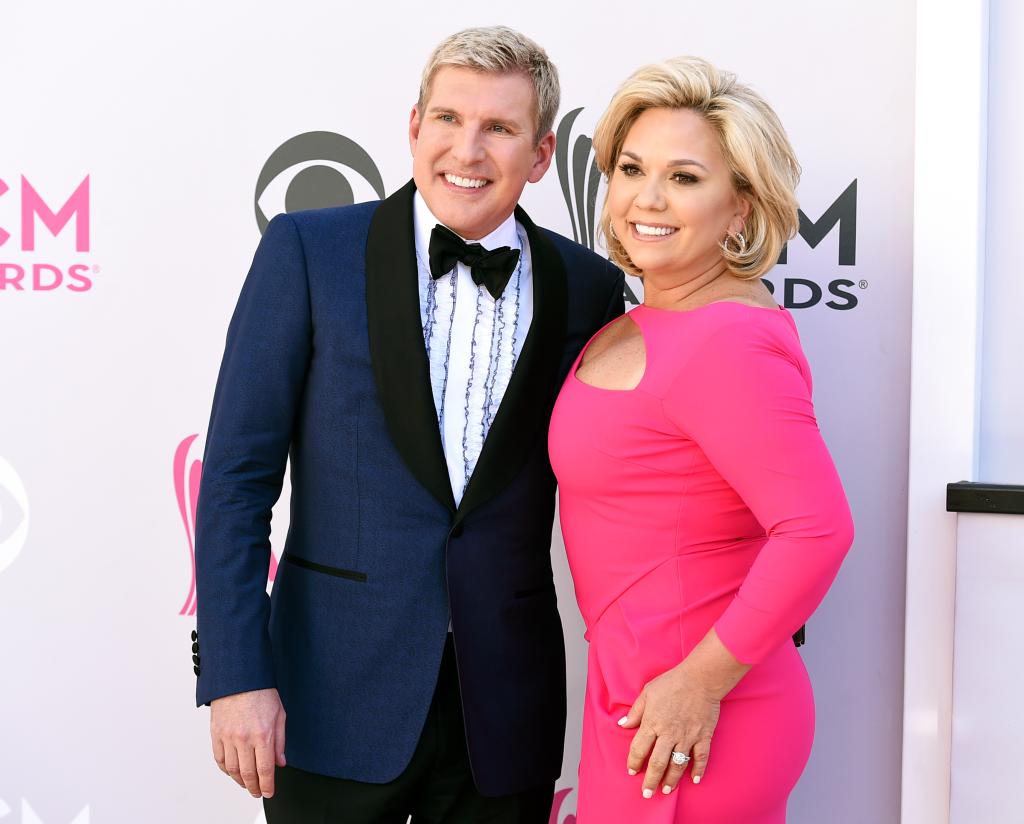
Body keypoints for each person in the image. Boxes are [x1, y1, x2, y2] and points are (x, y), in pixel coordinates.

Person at [191, 26, 625, 823]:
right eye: (449, 119)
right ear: (414, 125)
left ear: (539, 154)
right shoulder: (308, 251)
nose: (469, 148)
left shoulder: (589, 286)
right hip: (327, 700)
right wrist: (235, 673)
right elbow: (234, 479)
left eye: (499, 127)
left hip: (505, 714)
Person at [548, 57, 855, 823]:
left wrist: (698, 686)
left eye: (684, 178)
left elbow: (817, 530)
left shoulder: (726, 341)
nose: (647, 199)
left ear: (740, 209)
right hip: (636, 697)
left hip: (697, 716)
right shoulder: (637, 322)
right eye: (631, 168)